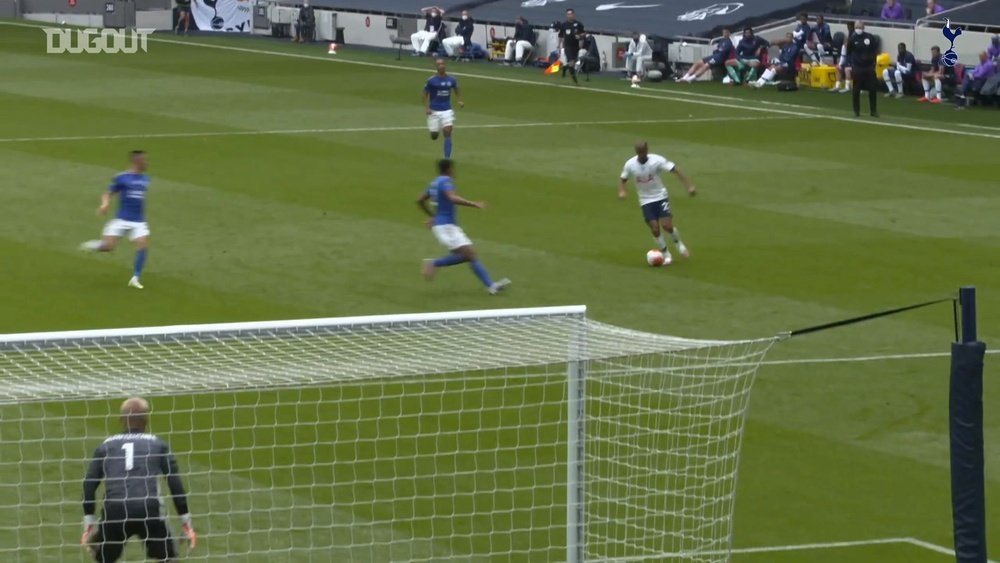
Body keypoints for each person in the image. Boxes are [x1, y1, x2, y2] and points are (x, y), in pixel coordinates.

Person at [81, 397, 196, 563]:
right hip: (149, 509)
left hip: (115, 510)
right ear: (146, 421)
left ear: (121, 420)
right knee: (169, 559)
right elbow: (174, 482)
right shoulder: (158, 445)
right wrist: (186, 521)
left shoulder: (105, 446)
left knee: (103, 557)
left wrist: (89, 522)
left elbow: (89, 486)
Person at [417, 159, 510, 295]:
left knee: (467, 255)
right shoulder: (446, 182)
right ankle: (434, 263)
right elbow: (452, 198)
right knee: (470, 254)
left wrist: (433, 216)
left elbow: (420, 200)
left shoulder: (434, 183)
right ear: (449, 169)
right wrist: (474, 204)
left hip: (444, 226)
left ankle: (491, 286)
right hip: (447, 227)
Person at [80, 151, 152, 290]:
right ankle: (93, 245)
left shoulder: (145, 179)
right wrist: (104, 204)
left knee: (142, 246)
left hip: (139, 221)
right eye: (145, 160)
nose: (147, 163)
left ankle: (135, 277)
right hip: (121, 219)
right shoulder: (122, 178)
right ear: (137, 161)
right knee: (108, 247)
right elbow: (108, 193)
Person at [618, 142, 696, 265]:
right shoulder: (630, 164)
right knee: (654, 228)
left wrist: (689, 186)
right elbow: (623, 178)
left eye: (643, 152)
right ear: (636, 152)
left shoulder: (657, 160)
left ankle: (679, 244)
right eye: (639, 152)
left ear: (646, 150)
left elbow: (675, 169)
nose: (641, 154)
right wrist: (622, 191)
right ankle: (666, 254)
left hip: (660, 196)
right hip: (645, 200)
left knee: (667, 226)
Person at [423, 59, 462, 159]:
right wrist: (427, 107)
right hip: (434, 111)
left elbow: (456, 89)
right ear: (436, 67)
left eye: (443, 64)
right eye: (439, 64)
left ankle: (447, 158)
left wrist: (459, 100)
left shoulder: (451, 80)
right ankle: (436, 129)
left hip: (447, 110)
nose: (441, 66)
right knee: (434, 135)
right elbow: (424, 94)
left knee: (448, 132)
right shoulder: (431, 80)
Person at [846, 20, 879, 117]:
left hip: (869, 67)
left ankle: (873, 111)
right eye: (856, 27)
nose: (858, 29)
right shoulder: (852, 39)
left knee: (872, 88)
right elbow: (848, 52)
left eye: (860, 27)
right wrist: (850, 64)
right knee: (856, 90)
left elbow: (874, 51)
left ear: (863, 27)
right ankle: (856, 111)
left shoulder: (869, 37)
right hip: (857, 67)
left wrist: (874, 63)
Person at [558, 8, 584, 85]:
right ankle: (575, 80)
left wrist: (580, 36)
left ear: (573, 15)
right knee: (571, 62)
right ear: (566, 15)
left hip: (576, 46)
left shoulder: (578, 24)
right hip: (568, 46)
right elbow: (561, 36)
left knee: (573, 62)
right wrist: (559, 45)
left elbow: (583, 34)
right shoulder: (564, 25)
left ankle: (564, 68)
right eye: (568, 14)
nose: (569, 16)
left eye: (571, 14)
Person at [830, 21, 856, 93]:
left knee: (847, 69)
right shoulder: (845, 46)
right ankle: (837, 86)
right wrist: (840, 64)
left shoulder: (855, 36)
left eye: (850, 26)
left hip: (855, 63)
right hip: (848, 62)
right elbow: (843, 55)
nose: (849, 28)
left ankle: (847, 87)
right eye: (848, 26)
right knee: (839, 68)